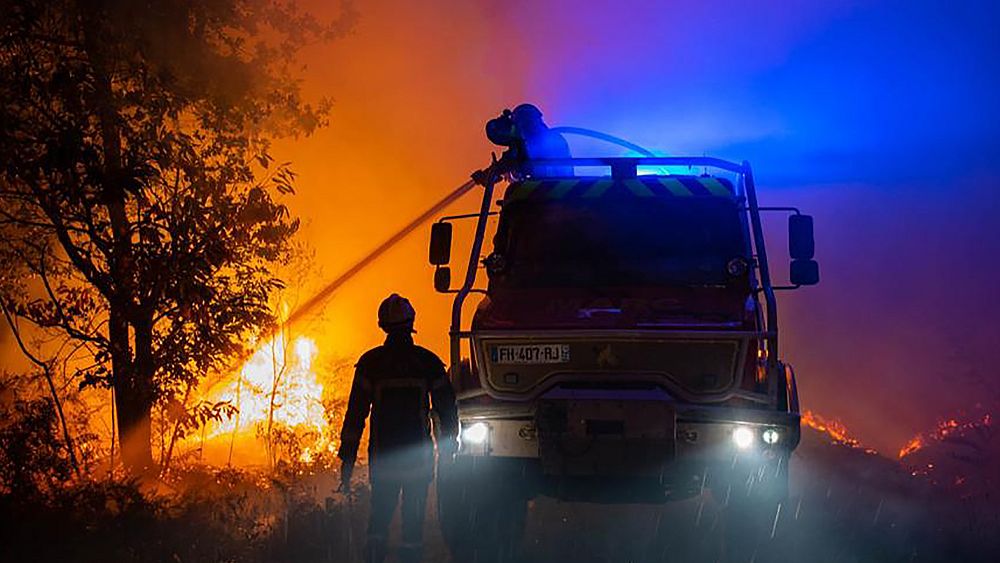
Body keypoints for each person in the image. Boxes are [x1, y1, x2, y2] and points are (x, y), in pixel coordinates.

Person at [337, 294, 458, 563]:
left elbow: (355, 415)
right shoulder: (428, 363)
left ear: (382, 325)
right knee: (412, 528)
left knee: (378, 522)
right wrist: (449, 448)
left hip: (384, 459)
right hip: (419, 458)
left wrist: (347, 458)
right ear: (411, 323)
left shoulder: (371, 364)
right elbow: (447, 411)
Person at [485, 103, 573, 178]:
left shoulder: (550, 140)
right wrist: (490, 172)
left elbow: (518, 159)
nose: (526, 127)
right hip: (548, 189)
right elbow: (513, 158)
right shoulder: (527, 143)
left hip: (549, 188)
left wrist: (497, 170)